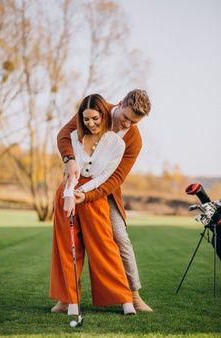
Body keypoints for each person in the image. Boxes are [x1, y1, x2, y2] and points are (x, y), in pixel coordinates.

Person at [51, 89, 153, 313]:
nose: (127, 125)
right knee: (70, 241)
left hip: (107, 190)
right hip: (77, 181)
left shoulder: (134, 140)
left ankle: (133, 295)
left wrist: (89, 195)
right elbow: (64, 134)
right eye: (125, 118)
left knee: (120, 238)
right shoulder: (97, 110)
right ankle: (67, 298)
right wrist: (68, 160)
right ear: (120, 104)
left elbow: (116, 177)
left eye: (133, 122)